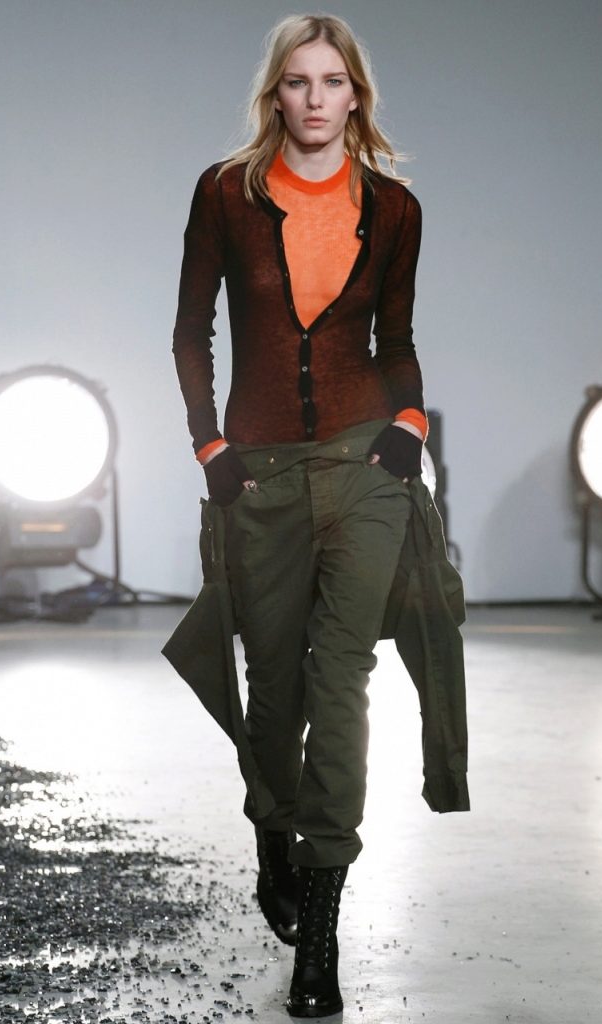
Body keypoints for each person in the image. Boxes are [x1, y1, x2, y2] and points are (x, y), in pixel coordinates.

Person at [167, 12, 469, 1019]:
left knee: (341, 677)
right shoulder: (226, 194)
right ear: (277, 94)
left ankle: (324, 928)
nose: (314, 98)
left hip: (364, 464)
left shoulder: (394, 208)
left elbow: (398, 337)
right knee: (275, 684)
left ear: (354, 97)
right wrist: (210, 445)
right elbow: (191, 332)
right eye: (297, 81)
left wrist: (410, 424)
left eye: (332, 81)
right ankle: (272, 836)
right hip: (258, 474)